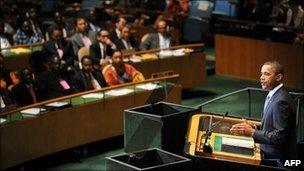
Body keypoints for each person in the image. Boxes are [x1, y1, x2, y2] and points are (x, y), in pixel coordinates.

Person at [230, 61, 297, 164]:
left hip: (278, 161)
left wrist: (252, 132)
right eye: (261, 74)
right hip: (268, 153)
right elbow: (272, 127)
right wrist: (255, 128)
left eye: (267, 74)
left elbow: (279, 137)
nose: (261, 77)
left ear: (278, 77)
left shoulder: (281, 101)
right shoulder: (273, 95)